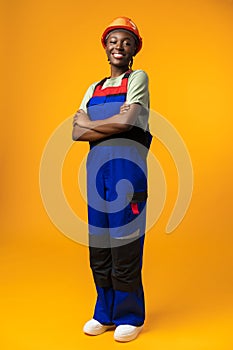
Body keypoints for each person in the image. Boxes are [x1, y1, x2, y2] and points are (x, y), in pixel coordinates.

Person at [72, 16, 152, 342]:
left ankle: (130, 315)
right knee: (100, 247)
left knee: (124, 245)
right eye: (113, 41)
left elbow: (128, 122)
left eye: (127, 42)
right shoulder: (94, 88)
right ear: (106, 48)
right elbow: (75, 131)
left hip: (127, 174)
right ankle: (104, 313)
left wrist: (94, 127)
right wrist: (112, 123)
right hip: (97, 176)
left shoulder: (138, 79)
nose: (119, 46)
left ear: (134, 49)